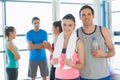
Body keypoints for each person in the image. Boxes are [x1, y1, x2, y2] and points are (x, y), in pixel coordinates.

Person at [77, 5, 115, 80]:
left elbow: (113, 51)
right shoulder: (76, 34)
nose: (86, 17)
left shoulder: (104, 31)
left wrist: (104, 55)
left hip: (103, 76)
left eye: (89, 14)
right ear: (80, 17)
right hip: (84, 76)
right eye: (83, 15)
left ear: (93, 16)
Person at [51, 14, 85, 80]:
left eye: (70, 25)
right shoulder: (57, 40)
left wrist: (72, 65)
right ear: (61, 25)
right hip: (58, 77)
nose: (66, 28)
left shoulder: (78, 42)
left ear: (74, 26)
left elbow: (82, 65)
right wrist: (52, 61)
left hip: (73, 77)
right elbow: (54, 57)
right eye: (64, 25)